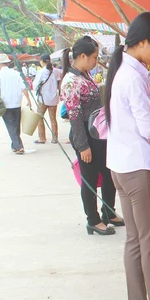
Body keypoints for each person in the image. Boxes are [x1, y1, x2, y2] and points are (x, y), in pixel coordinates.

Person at [104, 12, 150, 300]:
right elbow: (147, 126)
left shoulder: (122, 72)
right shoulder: (133, 76)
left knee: (134, 240)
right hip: (138, 168)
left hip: (120, 166)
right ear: (142, 43)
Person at [60, 36, 121, 236]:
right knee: (90, 178)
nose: (96, 61)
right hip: (85, 136)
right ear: (82, 56)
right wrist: (82, 145)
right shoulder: (71, 81)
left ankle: (108, 212)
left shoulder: (84, 75)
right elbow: (75, 117)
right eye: (94, 57)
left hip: (99, 134)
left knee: (108, 175)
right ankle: (93, 220)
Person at [0, 54, 32, 154]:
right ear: (8, 63)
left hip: (5, 104)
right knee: (16, 125)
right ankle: (15, 145)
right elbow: (24, 87)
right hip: (17, 102)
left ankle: (18, 146)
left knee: (10, 126)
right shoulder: (16, 73)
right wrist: (28, 99)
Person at [33, 53, 60, 144]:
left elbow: (35, 85)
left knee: (39, 117)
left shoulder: (41, 72)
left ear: (42, 61)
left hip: (43, 99)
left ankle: (42, 137)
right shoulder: (56, 71)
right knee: (53, 118)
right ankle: (54, 138)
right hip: (53, 98)